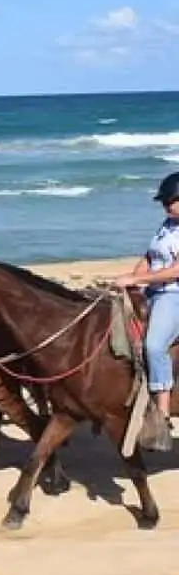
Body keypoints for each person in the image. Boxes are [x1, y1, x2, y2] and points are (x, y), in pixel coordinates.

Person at [112, 171, 179, 423]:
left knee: (154, 345)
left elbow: (175, 271)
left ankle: (162, 408)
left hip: (173, 295)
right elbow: (149, 257)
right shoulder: (167, 226)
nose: (165, 206)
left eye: (169, 201)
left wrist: (136, 280)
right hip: (154, 289)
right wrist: (128, 278)